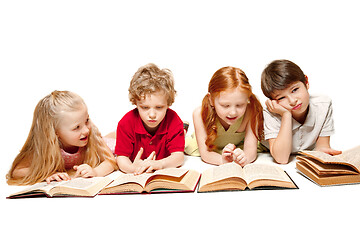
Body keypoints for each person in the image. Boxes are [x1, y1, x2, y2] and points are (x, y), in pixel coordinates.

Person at [7, 90, 117, 185]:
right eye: (76, 127)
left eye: (87, 120)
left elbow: (110, 161)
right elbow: (17, 171)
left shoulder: (92, 136)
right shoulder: (46, 147)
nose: (86, 130)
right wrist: (46, 174)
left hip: (109, 144)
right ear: (55, 132)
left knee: (122, 147)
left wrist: (95, 172)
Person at [261, 59, 341, 164]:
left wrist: (323, 153)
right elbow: (282, 158)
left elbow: (322, 147)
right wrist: (286, 115)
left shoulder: (323, 105)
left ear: (306, 82)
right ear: (272, 101)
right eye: (281, 98)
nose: (292, 101)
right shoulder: (271, 112)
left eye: (295, 90)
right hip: (265, 150)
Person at [115, 63, 184, 175]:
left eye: (159, 107)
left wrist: (159, 164)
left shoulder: (174, 121)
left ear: (168, 104)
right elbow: (121, 158)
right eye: (145, 107)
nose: (152, 114)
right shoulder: (126, 123)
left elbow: (179, 156)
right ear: (136, 103)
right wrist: (132, 169)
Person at [187, 66, 264, 166]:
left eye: (240, 105)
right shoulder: (199, 113)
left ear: (247, 99)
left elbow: (250, 151)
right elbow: (205, 154)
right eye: (225, 105)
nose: (233, 112)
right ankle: (184, 128)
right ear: (211, 100)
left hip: (237, 146)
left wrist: (244, 159)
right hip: (209, 147)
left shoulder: (251, 110)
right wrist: (223, 161)